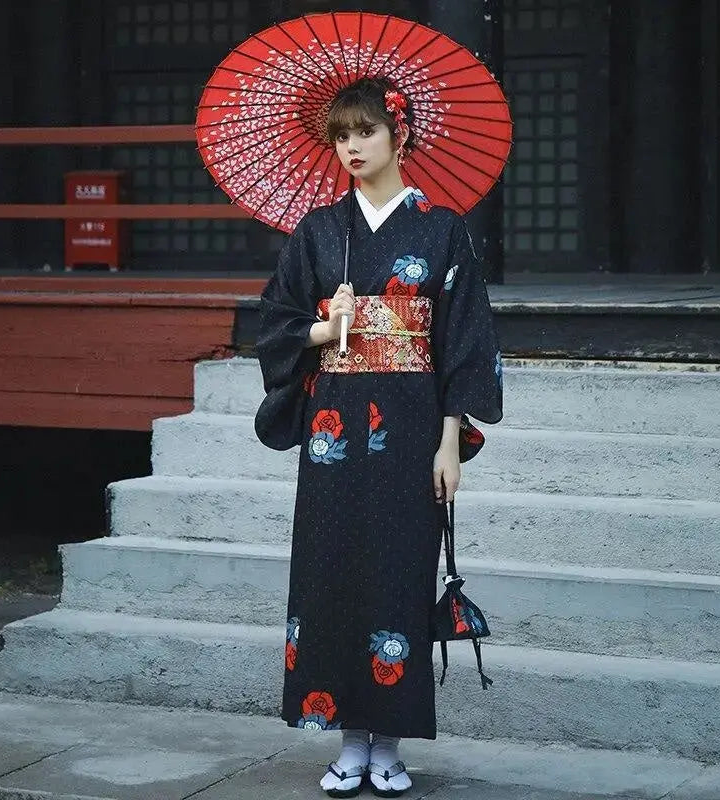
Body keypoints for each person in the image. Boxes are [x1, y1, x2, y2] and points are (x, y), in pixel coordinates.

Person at [254, 76, 503, 798]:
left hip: (412, 420)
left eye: (364, 130)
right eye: (340, 134)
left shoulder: (442, 229)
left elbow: (463, 339)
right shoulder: (320, 231)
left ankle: (389, 744)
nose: (352, 146)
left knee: (398, 572)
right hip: (334, 426)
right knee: (330, 573)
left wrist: (450, 440)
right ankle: (348, 739)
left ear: (400, 134)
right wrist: (323, 328)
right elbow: (273, 322)